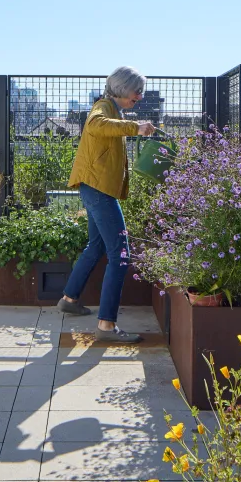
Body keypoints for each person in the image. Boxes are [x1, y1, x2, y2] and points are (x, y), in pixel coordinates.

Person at [58, 66, 156, 342]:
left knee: (97, 245)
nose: (140, 96)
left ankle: (69, 298)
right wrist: (135, 127)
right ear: (123, 89)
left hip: (96, 188)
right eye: (137, 92)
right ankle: (106, 326)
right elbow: (95, 125)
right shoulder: (103, 108)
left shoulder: (114, 110)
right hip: (98, 190)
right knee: (120, 255)